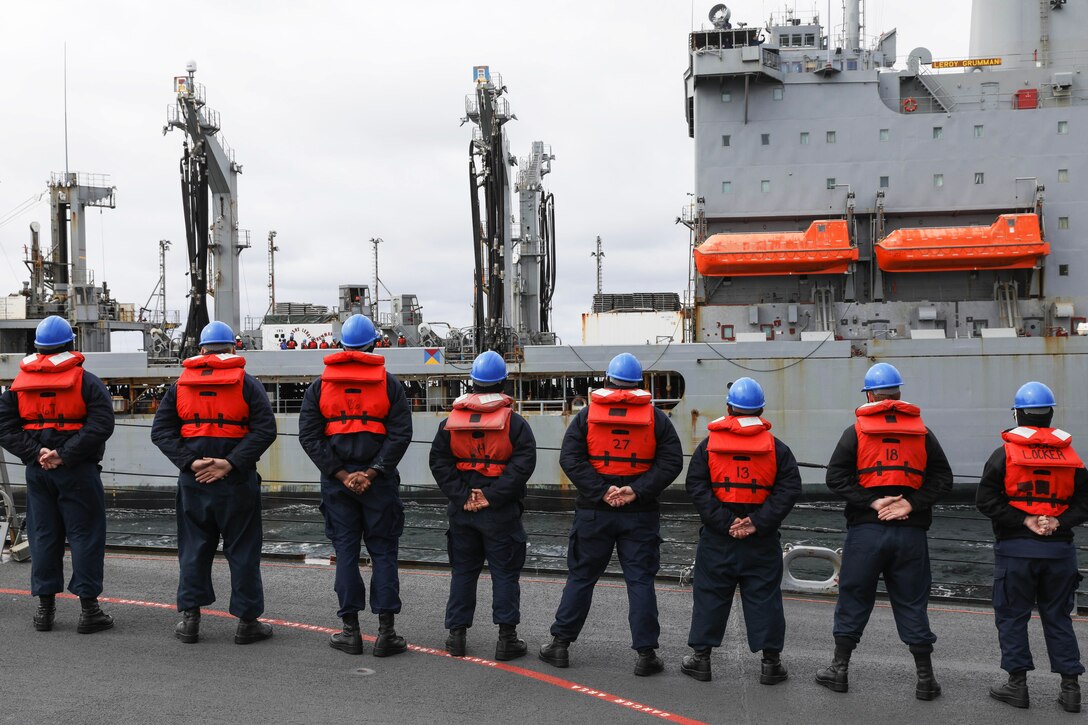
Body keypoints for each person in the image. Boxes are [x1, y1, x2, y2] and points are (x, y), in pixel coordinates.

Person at [540, 353, 683, 675]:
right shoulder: (657, 418)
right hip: (640, 513)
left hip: (594, 512)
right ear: (640, 384)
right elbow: (671, 461)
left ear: (606, 381)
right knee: (640, 582)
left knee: (581, 578)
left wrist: (601, 490)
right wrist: (637, 490)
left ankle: (560, 645)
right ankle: (646, 656)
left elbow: (570, 458)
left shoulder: (588, 415)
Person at [816, 362, 952, 699]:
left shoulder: (856, 431)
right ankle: (925, 680)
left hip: (866, 532)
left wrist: (874, 502)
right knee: (911, 603)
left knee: (853, 598)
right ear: (899, 393)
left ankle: (839, 670)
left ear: (871, 395)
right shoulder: (923, 432)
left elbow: (835, 478)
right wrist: (911, 504)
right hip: (910, 533)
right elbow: (942, 479)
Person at [150, 320, 277, 644]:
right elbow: (265, 430)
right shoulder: (248, 383)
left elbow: (161, 431)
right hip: (236, 482)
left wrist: (190, 462)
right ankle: (248, 623)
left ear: (202, 350)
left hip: (194, 482)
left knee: (193, 549)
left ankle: (190, 621)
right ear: (232, 348)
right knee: (243, 550)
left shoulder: (180, 386)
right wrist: (230, 464)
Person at [298, 314, 412, 656]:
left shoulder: (320, 386)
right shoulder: (389, 384)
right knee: (383, 552)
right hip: (379, 483)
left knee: (346, 553)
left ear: (341, 346)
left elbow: (309, 435)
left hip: (338, 485)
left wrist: (341, 474)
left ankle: (350, 630)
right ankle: (386, 633)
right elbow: (400, 434)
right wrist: (374, 471)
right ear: (374, 345)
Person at [680, 377, 801, 684]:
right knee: (765, 598)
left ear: (729, 408)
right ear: (761, 409)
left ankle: (701, 660)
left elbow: (696, 485)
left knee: (709, 595)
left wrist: (724, 522)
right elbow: (788, 489)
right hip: (761, 539)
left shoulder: (708, 446)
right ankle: (771, 665)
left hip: (719, 537)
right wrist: (757, 522)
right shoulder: (778, 449)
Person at [976, 381, 1088, 713]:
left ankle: (1017, 686)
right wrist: (1058, 522)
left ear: (1017, 414)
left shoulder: (1004, 454)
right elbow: (1084, 502)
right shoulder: (1071, 457)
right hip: (1059, 551)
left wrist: (1022, 519)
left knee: (1012, 617)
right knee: (1058, 618)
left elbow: (986, 501)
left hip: (1016, 552)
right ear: (1050, 414)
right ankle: (1071, 690)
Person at [0, 316, 115, 633]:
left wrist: (35, 453)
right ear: (71, 344)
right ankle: (89, 612)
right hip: (78, 472)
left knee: (43, 537)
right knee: (85, 536)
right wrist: (64, 454)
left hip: (38, 474)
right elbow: (102, 424)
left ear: (36, 347)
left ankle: (44, 610)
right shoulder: (86, 381)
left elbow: (5, 426)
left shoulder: (18, 385)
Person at [429, 351, 536, 660]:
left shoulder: (449, 422)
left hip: (462, 512)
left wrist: (463, 495)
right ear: (503, 383)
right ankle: (506, 640)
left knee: (463, 572)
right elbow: (523, 464)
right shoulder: (515, 424)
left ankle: (456, 637)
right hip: (500, 512)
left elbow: (439, 462)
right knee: (504, 573)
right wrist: (492, 495)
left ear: (472, 382)